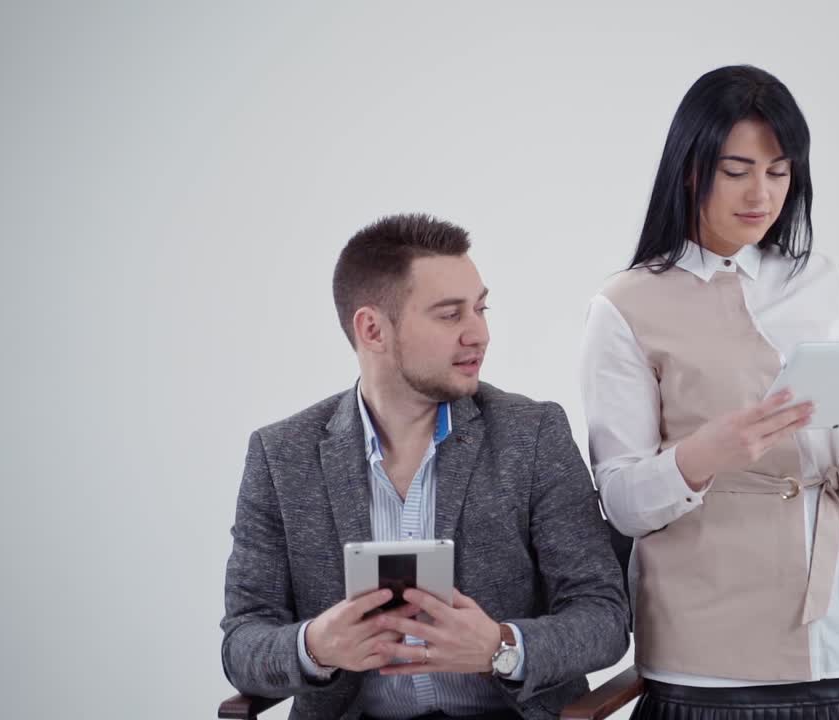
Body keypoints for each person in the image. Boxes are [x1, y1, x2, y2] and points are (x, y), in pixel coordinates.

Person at [581, 65, 839, 720]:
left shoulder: (828, 282)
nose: (762, 193)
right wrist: (700, 456)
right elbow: (620, 502)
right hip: (706, 657)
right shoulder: (625, 305)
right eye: (738, 170)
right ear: (691, 168)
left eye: (779, 171)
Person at [222, 213, 629, 720]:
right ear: (372, 329)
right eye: (449, 315)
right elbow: (242, 641)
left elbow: (604, 614)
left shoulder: (533, 433)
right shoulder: (282, 455)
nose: (478, 334)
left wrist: (502, 647)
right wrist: (315, 646)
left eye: (481, 309)